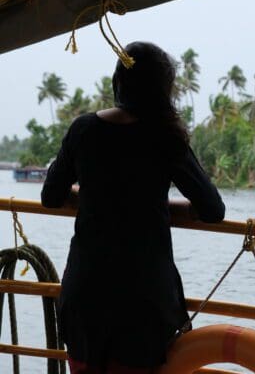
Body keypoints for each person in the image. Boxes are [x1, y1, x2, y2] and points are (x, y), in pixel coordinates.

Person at [41, 41, 225, 374]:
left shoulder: (83, 130)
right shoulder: (165, 137)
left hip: (87, 296)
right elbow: (212, 208)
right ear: (163, 90)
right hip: (143, 302)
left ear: (118, 83)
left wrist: (95, 192)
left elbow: (51, 196)